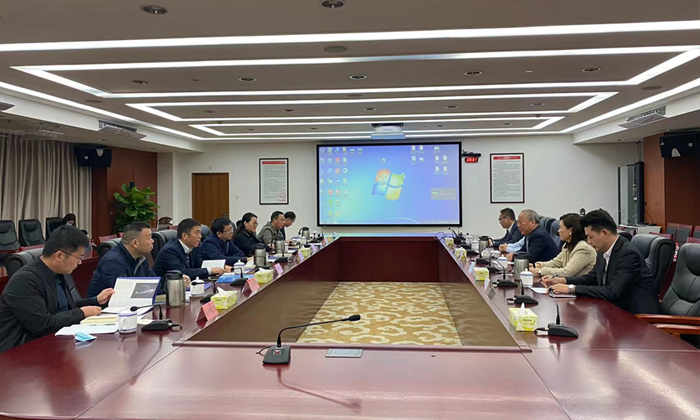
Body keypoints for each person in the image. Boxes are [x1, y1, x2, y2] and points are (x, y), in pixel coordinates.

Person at [0, 226, 114, 353]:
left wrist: (95, 300)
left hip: (53, 343)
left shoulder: (60, 272)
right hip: (19, 353)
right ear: (59, 256)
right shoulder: (25, 281)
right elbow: (42, 325)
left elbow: (66, 309)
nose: (80, 263)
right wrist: (82, 313)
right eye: (79, 257)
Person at [542, 209, 658, 314]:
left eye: (590, 237)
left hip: (636, 318)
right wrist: (563, 280)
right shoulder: (602, 252)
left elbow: (613, 291)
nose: (588, 242)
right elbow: (591, 278)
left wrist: (572, 289)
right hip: (613, 310)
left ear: (604, 233)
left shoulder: (628, 254)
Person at [87, 221, 157, 298]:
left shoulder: (140, 258)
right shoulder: (112, 262)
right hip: (104, 305)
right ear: (135, 243)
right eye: (149, 238)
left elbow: (154, 284)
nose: (152, 241)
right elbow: (125, 293)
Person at [153, 218, 226, 279]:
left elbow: (199, 264)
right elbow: (182, 272)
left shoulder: (193, 247)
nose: (200, 236)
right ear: (184, 236)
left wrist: (220, 267)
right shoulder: (170, 251)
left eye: (200, 233)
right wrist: (210, 270)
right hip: (165, 289)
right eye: (197, 233)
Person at [529, 213, 596, 278]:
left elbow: (567, 272)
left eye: (560, 227)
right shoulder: (567, 245)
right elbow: (556, 263)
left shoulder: (583, 248)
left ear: (570, 230)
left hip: (580, 284)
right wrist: (537, 265)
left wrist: (541, 271)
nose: (558, 231)